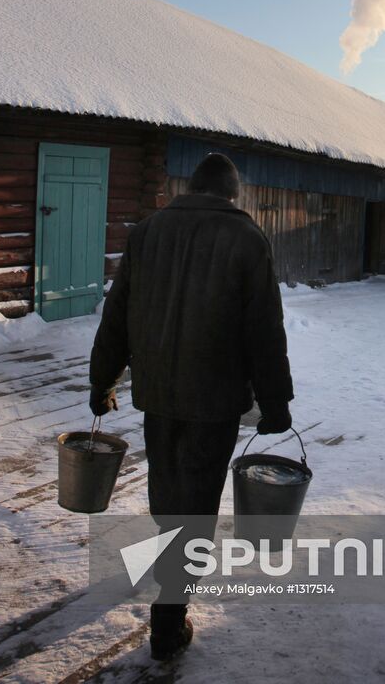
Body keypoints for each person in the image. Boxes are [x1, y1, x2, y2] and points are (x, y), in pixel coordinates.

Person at [88, 152, 294, 660]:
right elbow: (264, 330)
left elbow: (117, 315)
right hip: (215, 398)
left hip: (158, 392)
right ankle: (169, 616)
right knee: (196, 502)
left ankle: (168, 571)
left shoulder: (147, 232)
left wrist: (102, 381)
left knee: (169, 487)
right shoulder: (246, 239)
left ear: (193, 188)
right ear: (231, 193)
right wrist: (275, 402)